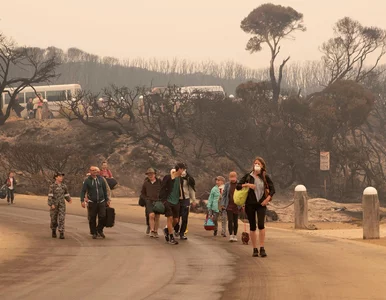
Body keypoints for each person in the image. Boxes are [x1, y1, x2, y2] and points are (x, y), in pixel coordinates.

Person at [236, 157, 275, 257]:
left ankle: (262, 247)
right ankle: (254, 248)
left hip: (261, 204)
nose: (256, 165)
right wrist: (248, 185)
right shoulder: (248, 176)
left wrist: (267, 199)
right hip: (250, 204)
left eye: (258, 164)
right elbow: (238, 186)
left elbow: (272, 189)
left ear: (262, 166)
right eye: (255, 163)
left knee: (261, 224)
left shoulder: (265, 176)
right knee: (252, 226)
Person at [80, 166, 111, 239]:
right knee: (92, 218)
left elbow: (104, 190)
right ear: (90, 171)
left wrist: (107, 200)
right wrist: (82, 200)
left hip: (101, 201)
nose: (94, 172)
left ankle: (99, 230)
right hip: (92, 202)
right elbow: (83, 191)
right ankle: (94, 232)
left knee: (103, 216)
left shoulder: (101, 179)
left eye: (95, 170)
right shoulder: (87, 180)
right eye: (93, 170)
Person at [160, 163, 186, 245]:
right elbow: (162, 188)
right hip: (168, 201)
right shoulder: (168, 177)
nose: (184, 171)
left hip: (176, 202)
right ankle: (171, 237)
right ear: (180, 169)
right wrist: (163, 200)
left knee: (176, 220)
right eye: (183, 169)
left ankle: (167, 230)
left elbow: (180, 191)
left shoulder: (180, 179)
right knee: (170, 218)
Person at [48, 172, 72, 239]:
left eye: (62, 176)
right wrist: (51, 204)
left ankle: (61, 232)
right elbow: (50, 196)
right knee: (53, 219)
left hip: (62, 205)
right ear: (56, 177)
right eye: (60, 176)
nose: (61, 178)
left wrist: (69, 199)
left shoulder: (64, 186)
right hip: (54, 205)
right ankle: (53, 230)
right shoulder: (52, 186)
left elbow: (66, 194)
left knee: (61, 218)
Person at [174, 168, 196, 240]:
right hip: (177, 199)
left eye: (184, 169)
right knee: (176, 217)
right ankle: (176, 229)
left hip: (186, 199)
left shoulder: (188, 179)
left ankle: (182, 233)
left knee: (185, 218)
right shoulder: (175, 177)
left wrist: (193, 200)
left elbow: (191, 189)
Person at [141, 168, 162, 238]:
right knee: (151, 215)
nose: (150, 175)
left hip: (158, 201)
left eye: (151, 174)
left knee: (157, 217)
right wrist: (146, 199)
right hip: (149, 201)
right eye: (149, 174)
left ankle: (156, 231)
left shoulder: (159, 182)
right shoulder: (146, 183)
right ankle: (152, 231)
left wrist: (162, 199)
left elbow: (164, 190)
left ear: (154, 174)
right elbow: (142, 193)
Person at [221, 172, 240, 242]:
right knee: (230, 220)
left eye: (233, 177)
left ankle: (235, 235)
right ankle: (231, 235)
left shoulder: (239, 184)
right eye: (231, 177)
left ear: (236, 177)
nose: (232, 179)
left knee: (235, 221)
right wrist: (222, 204)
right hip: (229, 205)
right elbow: (224, 195)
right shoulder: (227, 185)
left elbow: (242, 194)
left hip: (236, 205)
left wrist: (242, 204)